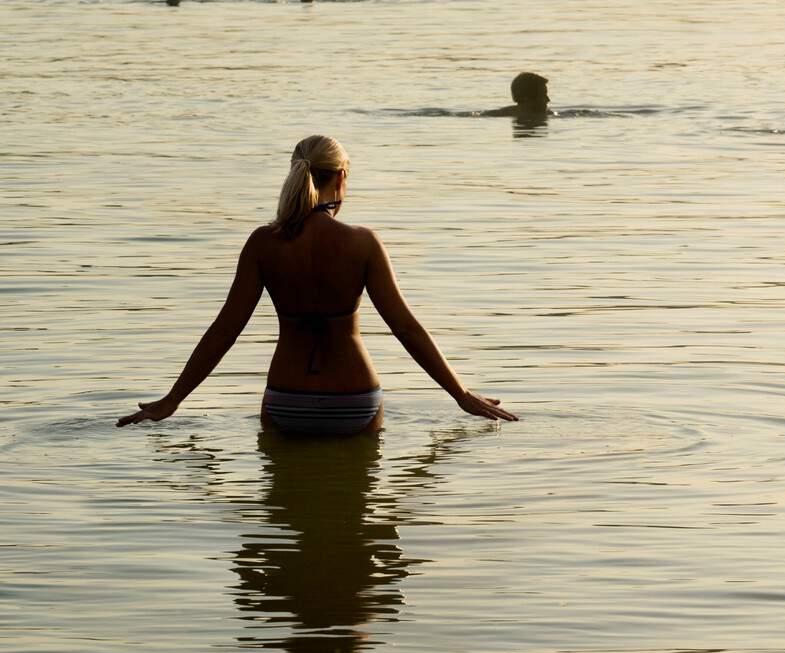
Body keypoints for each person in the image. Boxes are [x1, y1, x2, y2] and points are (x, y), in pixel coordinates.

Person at [117, 135, 516, 433]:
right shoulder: (363, 242)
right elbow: (406, 328)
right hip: (353, 400)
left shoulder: (263, 243)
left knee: (282, 532)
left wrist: (173, 400)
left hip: (286, 400)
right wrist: (460, 394)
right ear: (341, 178)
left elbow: (225, 330)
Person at [485, 71, 550, 119]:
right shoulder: (498, 115)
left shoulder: (548, 113)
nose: (548, 100)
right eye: (543, 96)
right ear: (527, 99)